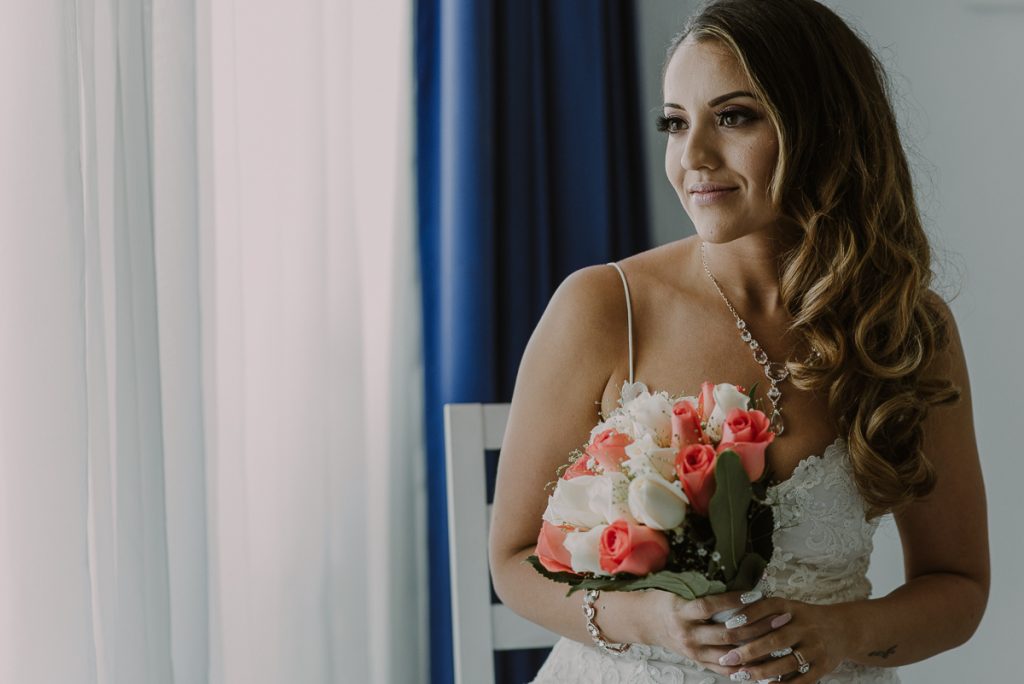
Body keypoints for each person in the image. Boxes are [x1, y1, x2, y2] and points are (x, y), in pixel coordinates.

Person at [487, 0, 989, 682]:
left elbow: (958, 585)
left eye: (733, 117)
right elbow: (513, 560)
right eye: (675, 123)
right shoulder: (604, 308)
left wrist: (844, 630)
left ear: (822, 128)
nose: (692, 156)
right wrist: (648, 620)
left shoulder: (905, 326)